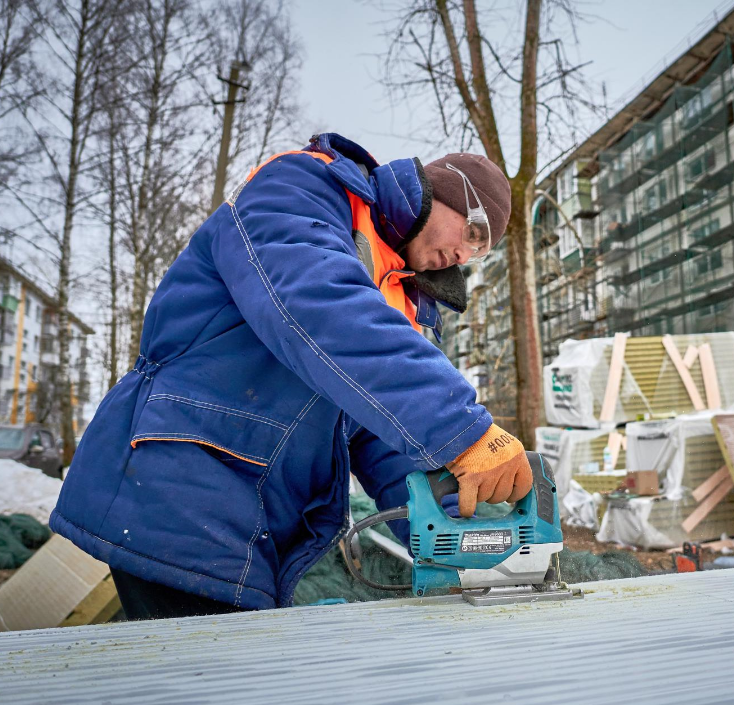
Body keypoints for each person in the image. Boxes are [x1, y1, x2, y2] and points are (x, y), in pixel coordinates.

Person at [51, 133, 533, 620]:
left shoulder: (398, 300)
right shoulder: (302, 187)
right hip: (181, 485)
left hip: (252, 512)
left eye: (481, 251)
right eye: (473, 232)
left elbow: (382, 440)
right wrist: (461, 429)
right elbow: (319, 307)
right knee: (200, 688)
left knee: (221, 686)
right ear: (442, 191)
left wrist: (455, 542)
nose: (465, 256)